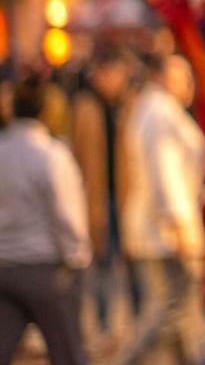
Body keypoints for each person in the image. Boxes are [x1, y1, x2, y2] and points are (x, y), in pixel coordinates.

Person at [114, 55, 205, 365]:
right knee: (167, 308)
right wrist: (180, 223)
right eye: (182, 76)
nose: (189, 84)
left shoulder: (161, 111)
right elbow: (165, 172)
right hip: (164, 231)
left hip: (161, 227)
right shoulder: (159, 113)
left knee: (180, 314)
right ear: (162, 77)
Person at [0, 77, 92, 365]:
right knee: (68, 353)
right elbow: (68, 217)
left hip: (5, 264)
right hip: (45, 267)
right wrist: (77, 258)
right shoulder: (52, 155)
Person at [70, 48, 133, 340]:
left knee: (130, 262)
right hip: (96, 196)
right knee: (101, 265)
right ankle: (104, 328)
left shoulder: (127, 106)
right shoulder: (85, 107)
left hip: (124, 196)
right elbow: (76, 155)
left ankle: (135, 327)